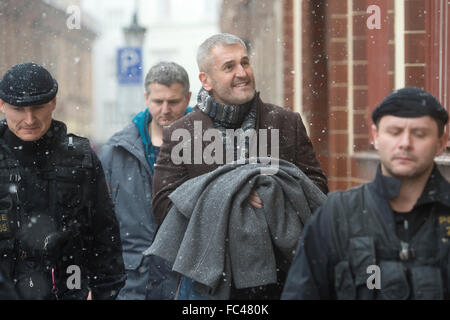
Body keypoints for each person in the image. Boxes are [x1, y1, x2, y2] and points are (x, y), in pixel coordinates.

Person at [152, 33, 328, 300]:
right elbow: (165, 207)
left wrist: (270, 193)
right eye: (229, 66)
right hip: (210, 285)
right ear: (205, 80)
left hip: (283, 281)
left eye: (245, 63)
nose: (242, 72)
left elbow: (315, 189)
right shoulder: (181, 133)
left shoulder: (285, 122)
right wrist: (234, 195)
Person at [282, 87, 450, 300]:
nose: (405, 143)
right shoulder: (336, 216)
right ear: (375, 136)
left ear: (441, 143)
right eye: (394, 132)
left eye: (419, 134)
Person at [0, 62, 125, 300]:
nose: (29, 119)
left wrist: (102, 292)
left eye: (38, 107)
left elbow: (104, 232)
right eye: (19, 108)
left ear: (53, 103)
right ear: (2, 105)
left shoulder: (81, 158)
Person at [99, 62, 193, 300]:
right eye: (157, 101)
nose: (165, 109)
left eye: (173, 102)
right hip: (133, 282)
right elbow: (98, 221)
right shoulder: (116, 150)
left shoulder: (209, 145)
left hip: (188, 281)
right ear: (146, 98)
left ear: (188, 98)